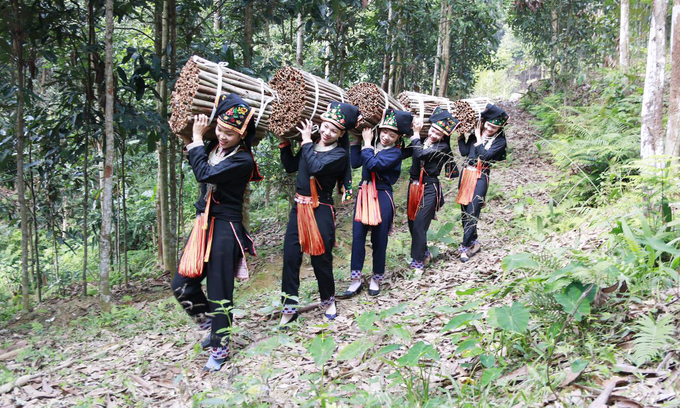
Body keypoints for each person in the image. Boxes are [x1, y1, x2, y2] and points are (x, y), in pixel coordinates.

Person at [171, 93, 262, 372]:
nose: (222, 136)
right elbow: (201, 163)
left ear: (242, 136)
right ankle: (212, 325)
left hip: (225, 227)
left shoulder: (243, 160)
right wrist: (192, 140)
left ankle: (221, 348)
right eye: (220, 129)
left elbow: (205, 174)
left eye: (230, 133)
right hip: (204, 223)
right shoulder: (213, 146)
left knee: (219, 290)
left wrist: (196, 141)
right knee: (181, 283)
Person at [277, 101, 361, 326]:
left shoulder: (340, 155)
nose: (326, 132)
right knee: (291, 257)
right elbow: (292, 166)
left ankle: (328, 300)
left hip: (320, 209)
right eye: (325, 126)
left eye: (334, 130)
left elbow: (314, 167)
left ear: (341, 133)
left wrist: (305, 141)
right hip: (298, 208)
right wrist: (285, 143)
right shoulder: (311, 143)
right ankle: (289, 307)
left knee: (320, 259)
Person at [344, 108, 413, 297]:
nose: (386, 137)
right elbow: (357, 162)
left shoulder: (395, 153)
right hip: (364, 192)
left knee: (379, 238)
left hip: (382, 194)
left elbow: (375, 165)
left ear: (398, 138)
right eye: (384, 132)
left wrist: (366, 144)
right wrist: (356, 141)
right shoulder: (372, 144)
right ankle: (356, 279)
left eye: (391, 135)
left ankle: (376, 277)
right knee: (358, 237)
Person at [402, 108, 458, 274]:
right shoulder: (422, 140)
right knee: (412, 223)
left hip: (429, 188)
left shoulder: (442, 147)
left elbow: (420, 155)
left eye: (439, 134)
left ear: (444, 137)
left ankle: (417, 261)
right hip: (414, 187)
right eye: (433, 130)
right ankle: (424, 252)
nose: (434, 135)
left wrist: (415, 135)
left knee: (420, 224)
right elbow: (406, 152)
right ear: (429, 128)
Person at [455, 103, 508, 262]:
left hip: (481, 175)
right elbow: (465, 152)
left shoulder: (500, 142)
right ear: (483, 122)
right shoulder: (473, 135)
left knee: (473, 210)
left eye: (494, 127)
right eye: (489, 125)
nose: (490, 129)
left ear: (499, 129)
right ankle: (473, 241)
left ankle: (464, 248)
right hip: (466, 173)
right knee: (464, 210)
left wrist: (478, 137)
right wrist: (460, 136)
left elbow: (484, 156)